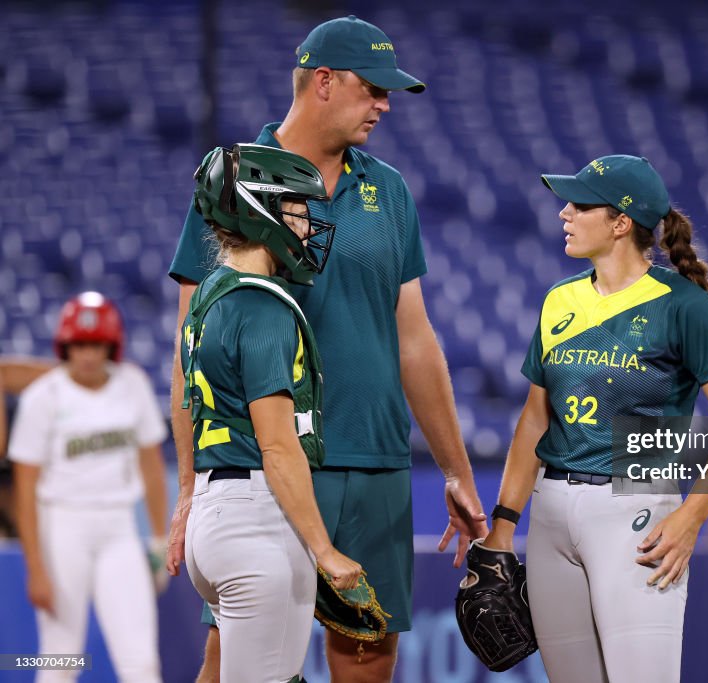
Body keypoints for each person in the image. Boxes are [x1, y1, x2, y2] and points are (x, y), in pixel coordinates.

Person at [166, 15, 488, 682]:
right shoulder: (232, 183)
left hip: (372, 463)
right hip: (263, 469)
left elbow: (415, 338)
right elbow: (188, 353)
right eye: (372, 89)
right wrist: (191, 484)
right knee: (232, 660)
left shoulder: (389, 190)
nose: (385, 104)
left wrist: (455, 468)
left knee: (366, 659)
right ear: (323, 82)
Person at [480, 155, 708, 683]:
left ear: (621, 223)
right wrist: (502, 526)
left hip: (635, 507)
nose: (564, 212)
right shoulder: (558, 299)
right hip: (551, 511)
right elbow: (534, 422)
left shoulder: (683, 306)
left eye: (580, 204)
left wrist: (691, 517)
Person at [183, 143, 363, 683]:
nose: (308, 225)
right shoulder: (263, 306)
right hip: (257, 519)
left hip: (212, 517)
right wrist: (324, 550)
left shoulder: (211, 294)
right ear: (262, 210)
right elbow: (278, 446)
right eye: (298, 209)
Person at [8, 292, 168, 683]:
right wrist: (35, 568)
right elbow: (24, 488)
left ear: (112, 346)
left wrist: (159, 540)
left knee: (141, 662)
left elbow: (150, 465)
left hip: (120, 528)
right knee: (61, 660)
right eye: (79, 344)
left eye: (96, 344)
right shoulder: (42, 397)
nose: (88, 354)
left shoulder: (132, 384)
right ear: (65, 346)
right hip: (62, 527)